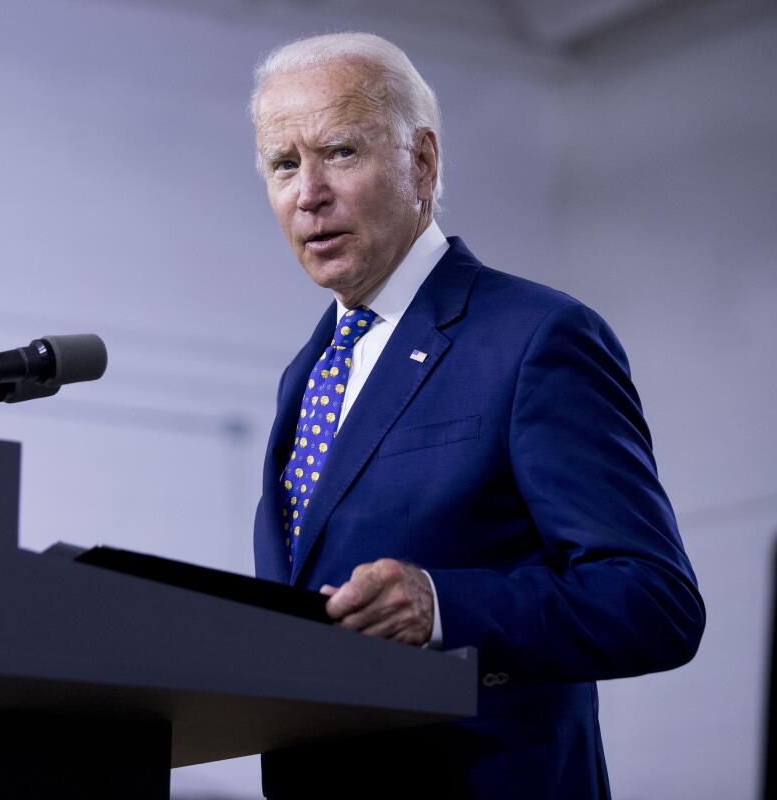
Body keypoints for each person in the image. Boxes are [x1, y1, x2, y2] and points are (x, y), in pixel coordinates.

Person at [249, 32, 704, 799]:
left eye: (340, 153)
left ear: (421, 162)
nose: (308, 193)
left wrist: (442, 608)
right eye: (284, 165)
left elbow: (654, 600)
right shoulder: (309, 370)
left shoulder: (533, 338)